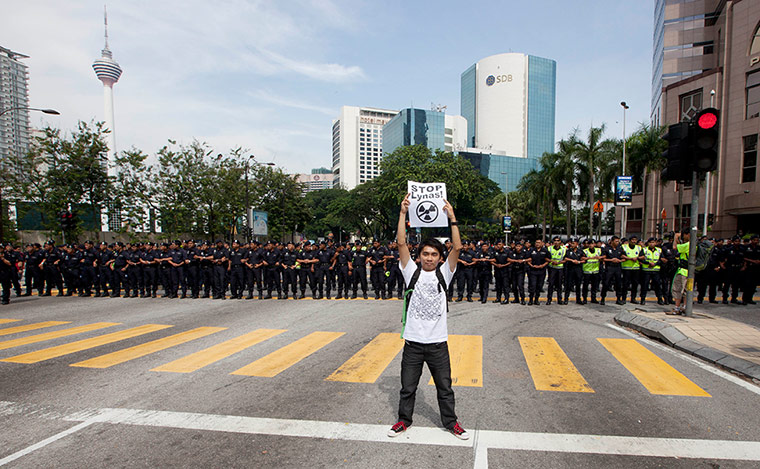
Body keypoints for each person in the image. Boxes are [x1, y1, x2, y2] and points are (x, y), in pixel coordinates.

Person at [388, 194, 469, 441]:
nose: (430, 258)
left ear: (439, 258)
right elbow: (402, 243)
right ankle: (403, 421)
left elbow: (457, 247)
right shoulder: (410, 272)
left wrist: (452, 219)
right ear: (419, 256)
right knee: (408, 388)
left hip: (437, 345)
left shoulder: (445, 273)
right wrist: (402, 214)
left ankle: (451, 423)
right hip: (413, 344)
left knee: (444, 388)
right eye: (426, 254)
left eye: (434, 254)